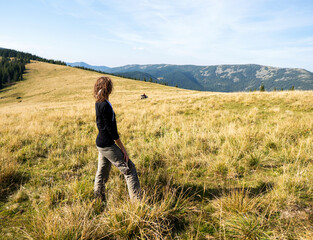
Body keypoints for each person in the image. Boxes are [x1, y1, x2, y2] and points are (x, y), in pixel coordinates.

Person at [93, 76, 141, 202]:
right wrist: (123, 149)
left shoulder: (98, 102)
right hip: (107, 145)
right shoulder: (104, 105)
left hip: (101, 143)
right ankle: (138, 204)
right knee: (130, 169)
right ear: (107, 88)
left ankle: (98, 199)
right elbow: (112, 132)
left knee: (102, 172)